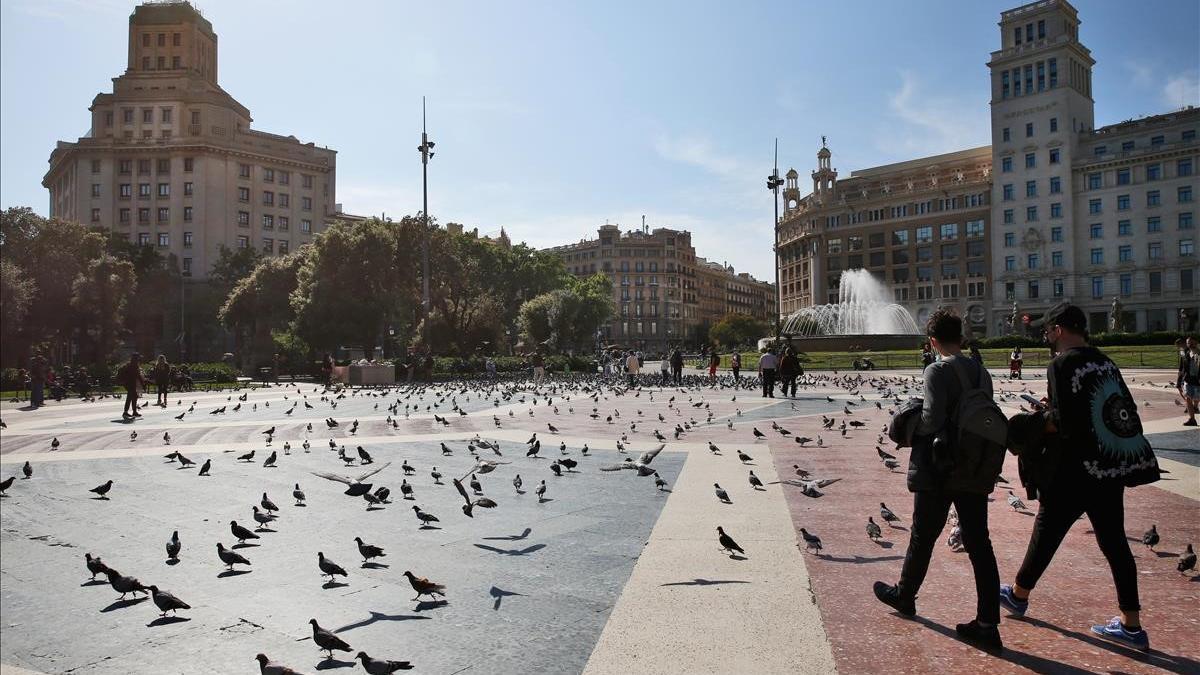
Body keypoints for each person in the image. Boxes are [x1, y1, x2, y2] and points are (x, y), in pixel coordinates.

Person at [999, 302, 1160, 652]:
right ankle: (1132, 625)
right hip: (1109, 467)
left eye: (1047, 331)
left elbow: (1066, 423)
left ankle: (1018, 595)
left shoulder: (1062, 363)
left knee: (1046, 532)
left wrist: (1038, 419)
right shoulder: (1105, 360)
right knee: (1115, 544)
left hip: (1073, 469)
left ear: (1058, 329)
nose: (1046, 336)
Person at [874, 309, 1003, 652]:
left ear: (932, 341)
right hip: (974, 465)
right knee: (979, 543)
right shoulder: (981, 371)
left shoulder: (936, 369)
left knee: (923, 534)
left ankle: (905, 595)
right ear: (960, 337)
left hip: (940, 466)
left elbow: (931, 420)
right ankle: (988, 623)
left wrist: (910, 419)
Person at [117, 353, 146, 419]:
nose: (139, 359)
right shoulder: (134, 365)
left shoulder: (130, 364)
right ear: (136, 358)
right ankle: (126, 412)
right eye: (138, 358)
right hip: (130, 383)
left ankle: (133, 412)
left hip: (128, 383)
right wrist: (143, 383)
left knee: (133, 396)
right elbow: (138, 376)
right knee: (131, 397)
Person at [1177, 337, 1198, 426]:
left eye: (1191, 343)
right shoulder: (1186, 353)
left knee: (1196, 398)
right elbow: (1183, 367)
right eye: (1188, 343)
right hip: (1188, 379)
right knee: (1188, 398)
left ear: (1196, 343)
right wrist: (1180, 378)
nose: (1190, 344)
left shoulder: (1199, 353)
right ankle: (1192, 419)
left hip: (1198, 380)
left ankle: (1195, 408)